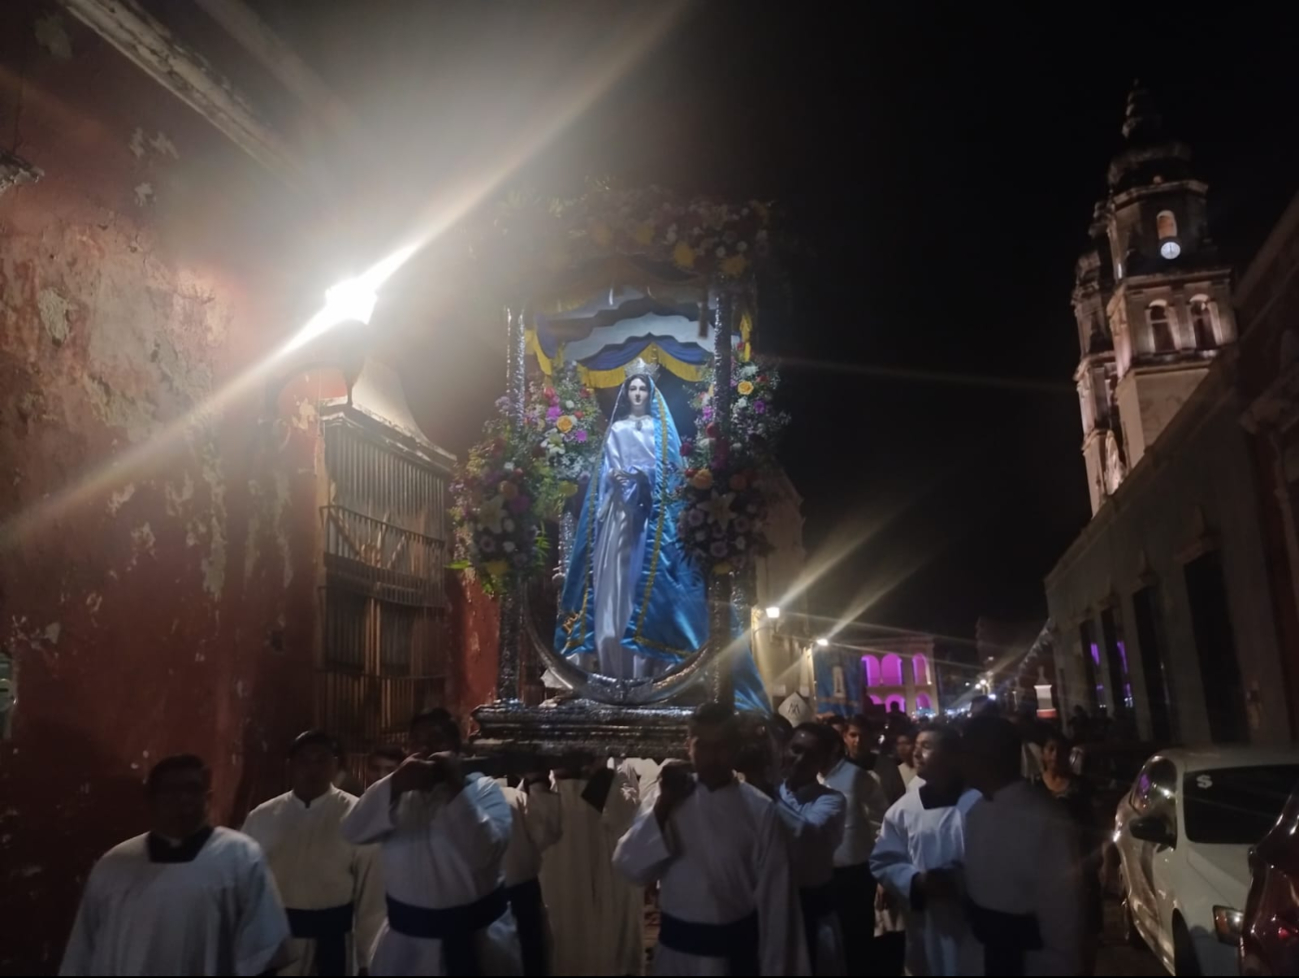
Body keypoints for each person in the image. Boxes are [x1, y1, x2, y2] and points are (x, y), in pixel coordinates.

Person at [613, 703, 808, 975]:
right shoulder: (666, 801)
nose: (713, 756)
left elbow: (776, 905)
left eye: (722, 746)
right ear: (688, 747)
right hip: (677, 958)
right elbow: (629, 867)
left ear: (736, 747)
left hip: (735, 958)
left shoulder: (760, 810)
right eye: (703, 745)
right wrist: (663, 807)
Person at [60, 755, 290, 976]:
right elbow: (84, 948)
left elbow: (262, 949)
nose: (183, 800)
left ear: (207, 798)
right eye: (170, 791)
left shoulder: (240, 858)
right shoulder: (113, 865)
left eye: (192, 789)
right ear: (151, 799)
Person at [341, 709, 521, 976]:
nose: (425, 749)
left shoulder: (484, 792)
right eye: (416, 742)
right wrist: (395, 783)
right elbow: (353, 831)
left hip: (478, 943)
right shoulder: (396, 794)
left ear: (457, 749)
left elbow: (484, 852)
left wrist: (454, 789)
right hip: (406, 946)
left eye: (436, 740)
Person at [242, 732, 383, 977]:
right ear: (290, 765)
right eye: (304, 760)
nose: (312, 768)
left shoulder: (357, 815)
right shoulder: (262, 817)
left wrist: (366, 959)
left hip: (334, 940)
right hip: (278, 943)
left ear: (336, 765)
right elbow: (246, 885)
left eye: (322, 760)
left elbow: (371, 896)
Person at [961, 716, 1083, 976]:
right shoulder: (975, 812)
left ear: (986, 756)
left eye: (967, 754)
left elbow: (1063, 916)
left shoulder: (1046, 817)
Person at [869, 726, 981, 976]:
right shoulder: (903, 810)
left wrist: (962, 881)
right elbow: (884, 860)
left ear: (952, 755)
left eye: (927, 747)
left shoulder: (978, 803)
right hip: (928, 922)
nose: (916, 753)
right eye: (916, 746)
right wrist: (916, 880)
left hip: (973, 918)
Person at [540, 754, 643, 976]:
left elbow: (624, 816)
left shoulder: (615, 769)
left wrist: (596, 774)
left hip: (603, 874)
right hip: (560, 874)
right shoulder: (547, 777)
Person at [778, 723, 847, 975]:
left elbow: (806, 837)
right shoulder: (771, 792)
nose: (800, 760)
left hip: (811, 911)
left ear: (825, 762)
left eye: (812, 755)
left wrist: (764, 791)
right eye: (796, 749)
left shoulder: (831, 800)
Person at [822, 722, 890, 975]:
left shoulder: (855, 777)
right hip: (820, 878)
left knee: (856, 942)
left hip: (855, 875)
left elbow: (880, 821)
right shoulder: (805, 779)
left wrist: (881, 870)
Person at [1032, 731, 1103, 972]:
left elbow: (1095, 826)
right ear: (1042, 753)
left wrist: (1096, 859)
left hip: (1081, 871)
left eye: (1061, 750)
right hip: (1045, 875)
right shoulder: (1032, 786)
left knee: (1087, 933)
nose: (1055, 755)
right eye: (1050, 749)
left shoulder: (1082, 787)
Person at [496, 764, 563, 977]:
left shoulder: (510, 797)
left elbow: (546, 832)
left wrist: (537, 782)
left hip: (521, 905)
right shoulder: (510, 798)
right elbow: (546, 832)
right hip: (505, 905)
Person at [846, 714, 906, 804]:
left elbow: (900, 800)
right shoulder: (837, 768)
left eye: (863, 735)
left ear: (871, 736)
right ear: (845, 737)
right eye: (853, 735)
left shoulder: (887, 767)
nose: (858, 740)